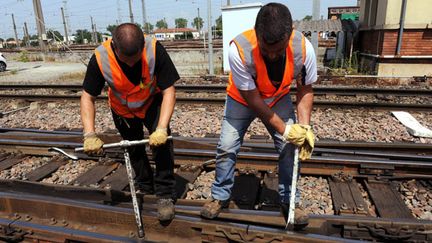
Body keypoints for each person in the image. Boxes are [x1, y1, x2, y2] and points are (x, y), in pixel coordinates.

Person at [200, 3, 316, 226]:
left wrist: (303, 128)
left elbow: (305, 89)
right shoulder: (239, 49)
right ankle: (220, 196)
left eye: (278, 50)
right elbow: (253, 100)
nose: (272, 55)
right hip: (242, 99)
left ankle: (290, 199)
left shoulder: (304, 48)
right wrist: (286, 129)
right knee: (226, 145)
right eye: (266, 49)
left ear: (289, 34)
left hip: (278, 96)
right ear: (257, 33)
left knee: (290, 148)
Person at [80, 23, 179, 221]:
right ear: (115, 48)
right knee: (134, 149)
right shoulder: (100, 58)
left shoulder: (154, 49)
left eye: (136, 59)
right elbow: (87, 96)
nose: (132, 65)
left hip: (151, 102)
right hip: (122, 109)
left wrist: (161, 128)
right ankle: (145, 185)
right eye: (127, 60)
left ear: (142, 45)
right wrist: (89, 133)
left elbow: (169, 91)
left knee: (162, 145)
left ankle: (165, 194)